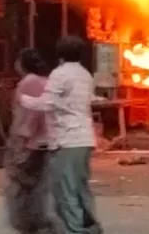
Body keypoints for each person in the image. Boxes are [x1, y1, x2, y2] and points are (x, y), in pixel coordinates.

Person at [20, 36, 101, 234]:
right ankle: (90, 225)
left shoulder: (60, 74)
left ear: (59, 55)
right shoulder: (85, 74)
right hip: (84, 138)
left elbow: (47, 103)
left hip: (66, 140)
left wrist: (24, 99)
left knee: (65, 190)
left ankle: (74, 229)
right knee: (80, 186)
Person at [5, 49, 54, 234]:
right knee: (39, 184)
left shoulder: (29, 82)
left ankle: (29, 222)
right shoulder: (46, 81)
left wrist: (20, 138)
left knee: (22, 183)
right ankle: (39, 220)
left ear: (21, 63)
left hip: (32, 142)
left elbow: (29, 114)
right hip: (48, 141)